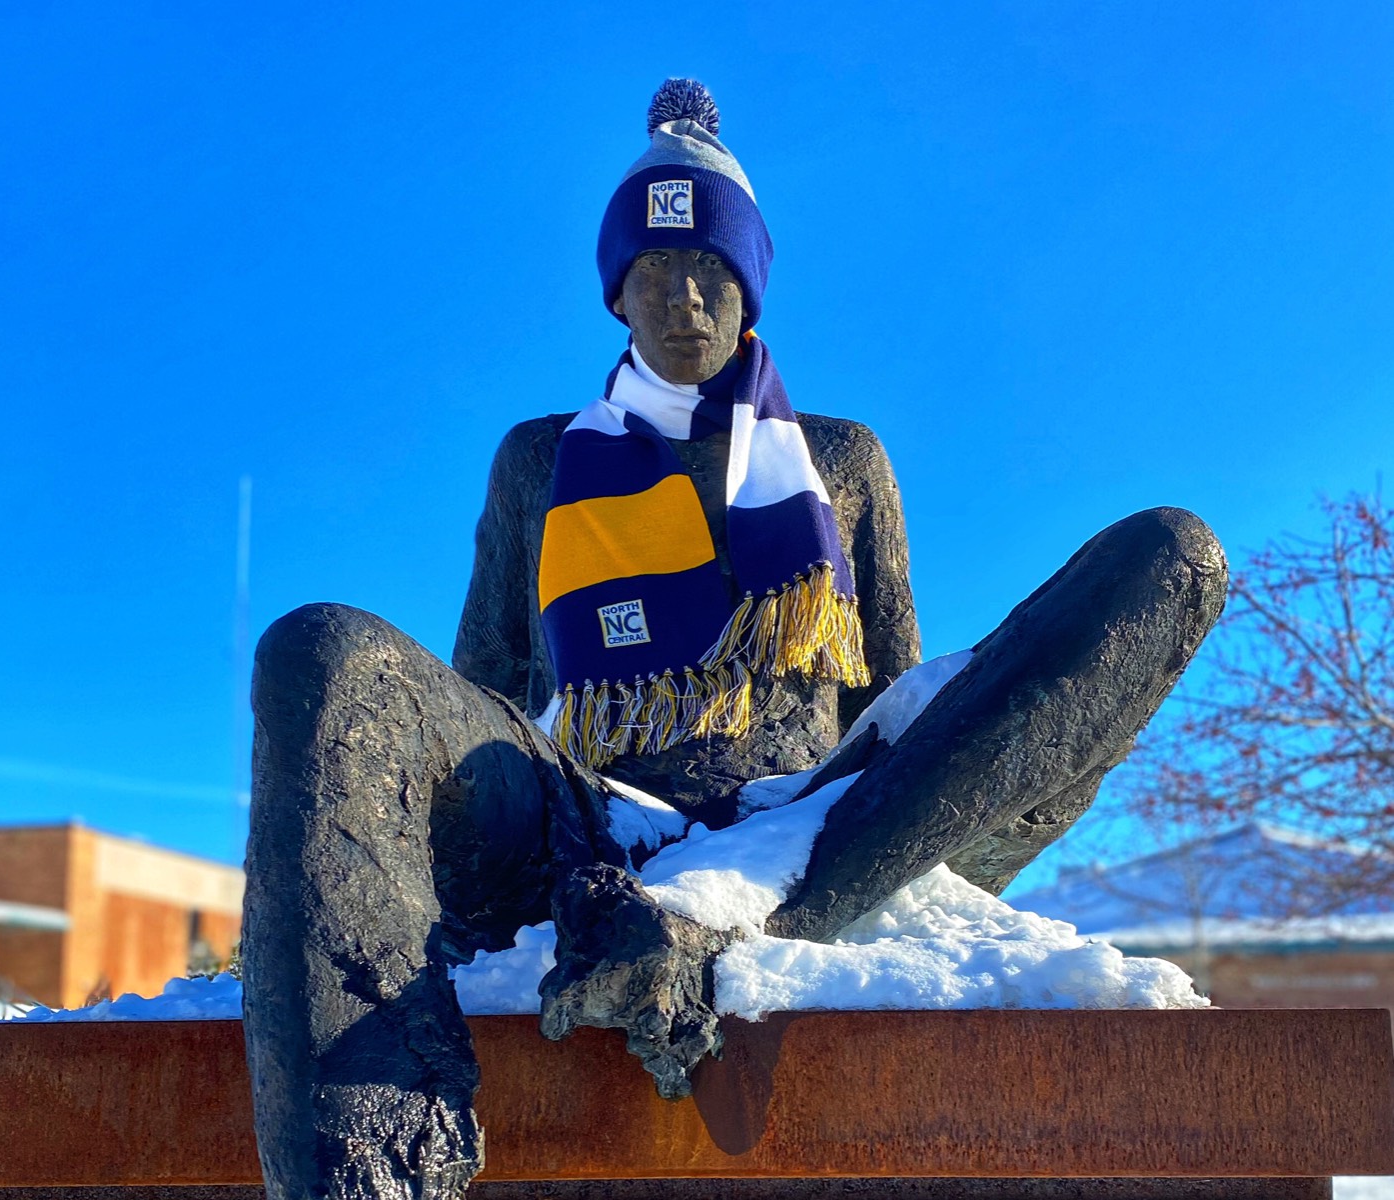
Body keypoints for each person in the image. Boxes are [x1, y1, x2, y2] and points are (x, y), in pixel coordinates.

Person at [241, 79, 1228, 1200]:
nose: (686, 302)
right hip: (591, 827)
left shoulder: (842, 460)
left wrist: (861, 824)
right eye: (656, 274)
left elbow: (892, 701)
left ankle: (733, 916)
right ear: (617, 294)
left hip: (820, 820)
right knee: (318, 648)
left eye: (712, 273)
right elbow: (486, 704)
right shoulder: (541, 461)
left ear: (750, 291)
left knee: (1171, 555)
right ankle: (375, 1163)